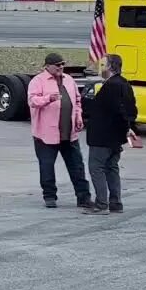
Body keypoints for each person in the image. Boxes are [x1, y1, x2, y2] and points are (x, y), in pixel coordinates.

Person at [28, 52, 94, 209]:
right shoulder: (38, 81)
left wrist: (78, 117)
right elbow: (32, 101)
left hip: (69, 133)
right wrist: (48, 99)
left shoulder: (69, 80)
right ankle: (50, 196)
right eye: (58, 65)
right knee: (47, 166)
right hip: (46, 135)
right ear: (47, 66)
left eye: (63, 64)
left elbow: (77, 101)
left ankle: (83, 197)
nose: (61, 67)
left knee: (77, 166)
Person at [82, 53, 138, 215]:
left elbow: (101, 109)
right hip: (116, 137)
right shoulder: (124, 84)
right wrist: (128, 127)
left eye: (102, 65)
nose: (100, 69)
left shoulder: (110, 86)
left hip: (103, 137)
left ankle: (101, 204)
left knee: (96, 167)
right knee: (112, 168)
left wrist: (84, 101)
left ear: (110, 67)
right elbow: (131, 109)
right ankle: (116, 202)